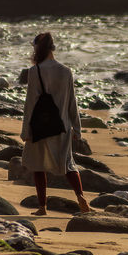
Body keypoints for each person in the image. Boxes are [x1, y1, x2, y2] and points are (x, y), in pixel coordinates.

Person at [20, 32, 90, 215]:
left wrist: (25, 130)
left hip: (41, 126)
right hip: (62, 126)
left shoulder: (35, 71)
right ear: (53, 48)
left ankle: (42, 207)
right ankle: (80, 196)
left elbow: (31, 103)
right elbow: (72, 102)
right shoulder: (66, 71)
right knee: (68, 164)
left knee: (38, 166)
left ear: (37, 48)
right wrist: (77, 127)